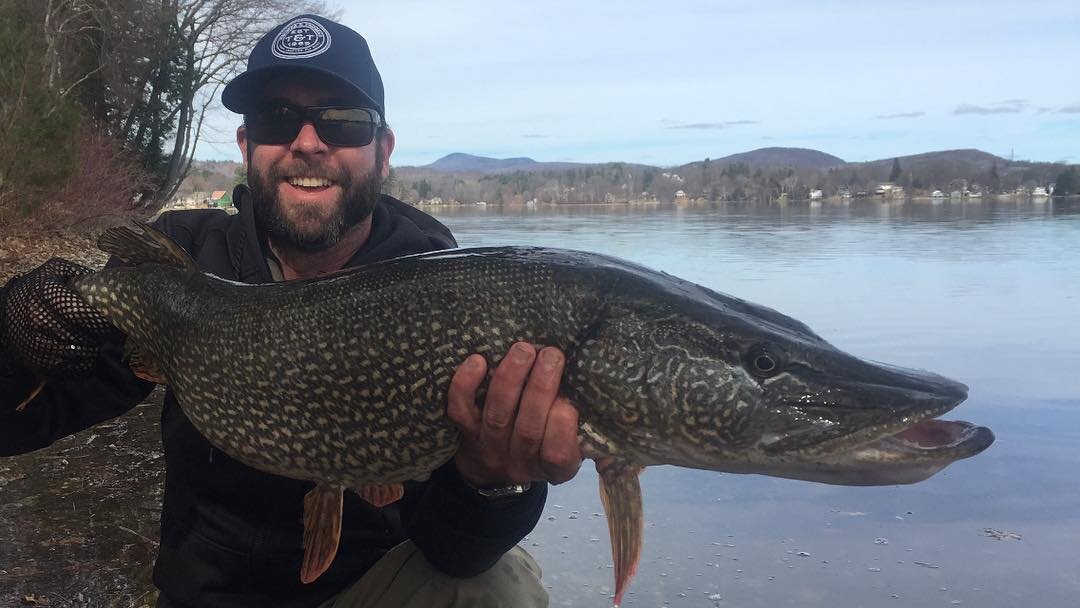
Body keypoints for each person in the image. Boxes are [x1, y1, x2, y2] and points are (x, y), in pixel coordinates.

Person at [0, 14, 582, 608]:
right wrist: (18, 335)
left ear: (382, 152)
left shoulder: (440, 292)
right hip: (208, 598)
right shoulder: (186, 266)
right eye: (278, 118)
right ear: (247, 145)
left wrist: (495, 485)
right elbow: (17, 422)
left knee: (497, 586)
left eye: (344, 120)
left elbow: (455, 552)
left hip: (368, 590)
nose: (308, 141)